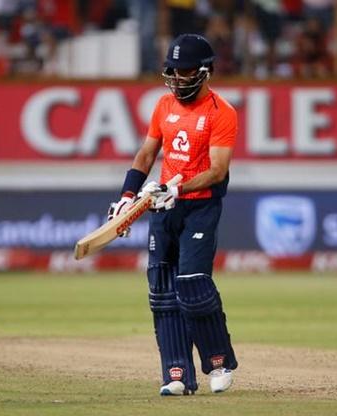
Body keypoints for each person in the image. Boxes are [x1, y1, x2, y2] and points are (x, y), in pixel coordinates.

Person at [107, 33, 237, 396]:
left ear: (205, 72)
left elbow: (218, 170)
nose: (179, 79)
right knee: (162, 289)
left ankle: (218, 362)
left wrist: (177, 189)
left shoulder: (221, 112)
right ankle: (177, 373)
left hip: (200, 205)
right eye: (174, 72)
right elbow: (146, 155)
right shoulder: (163, 106)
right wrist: (127, 196)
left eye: (186, 72)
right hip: (163, 205)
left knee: (192, 283)